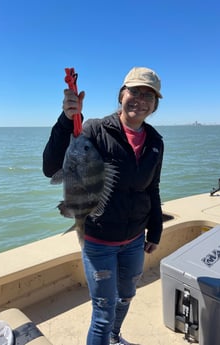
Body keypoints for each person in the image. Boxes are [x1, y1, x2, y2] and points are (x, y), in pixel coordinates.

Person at [43, 66, 164, 345]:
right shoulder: (95, 129)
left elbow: (153, 188)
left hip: (135, 239)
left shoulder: (156, 141)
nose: (140, 100)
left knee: (126, 295)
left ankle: (114, 336)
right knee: (102, 311)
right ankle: (106, 333)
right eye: (134, 91)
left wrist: (154, 231)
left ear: (155, 104)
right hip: (98, 241)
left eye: (149, 95)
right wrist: (66, 119)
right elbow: (52, 167)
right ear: (122, 94)